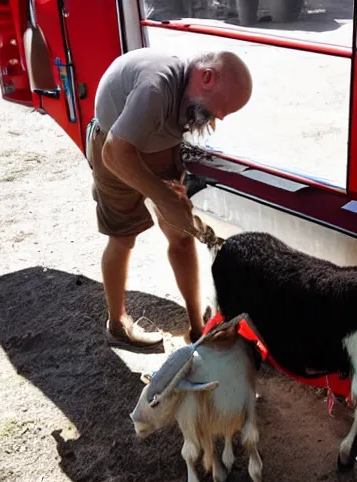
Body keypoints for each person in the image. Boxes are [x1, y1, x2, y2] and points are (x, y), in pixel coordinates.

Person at [86, 48, 252, 351]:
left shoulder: (190, 88)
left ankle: (197, 328)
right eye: (222, 108)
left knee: (182, 236)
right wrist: (164, 198)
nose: (221, 117)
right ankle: (117, 323)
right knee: (122, 238)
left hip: (159, 149)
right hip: (114, 150)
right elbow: (115, 152)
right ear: (207, 77)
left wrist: (170, 201)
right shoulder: (155, 87)